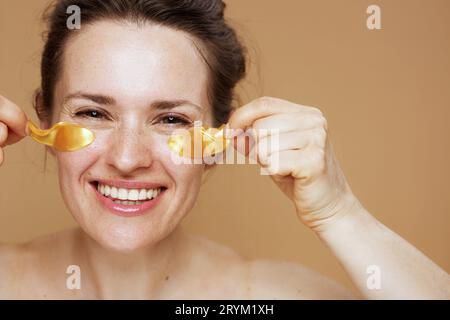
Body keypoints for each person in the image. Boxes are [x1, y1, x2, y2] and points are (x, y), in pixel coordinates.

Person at [0, 0, 448, 299]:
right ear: (44, 119)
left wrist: (340, 213)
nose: (127, 158)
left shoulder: (269, 298)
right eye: (94, 114)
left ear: (221, 140)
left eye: (171, 119)